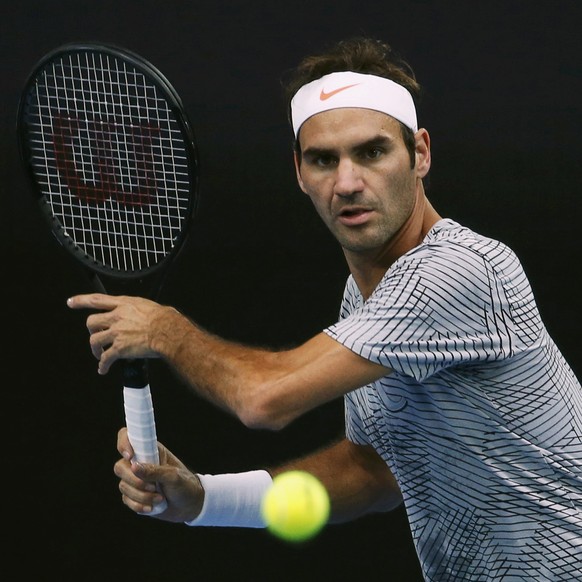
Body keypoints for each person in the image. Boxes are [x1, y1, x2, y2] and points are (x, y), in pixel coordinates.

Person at [67, 38, 582, 581]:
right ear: (299, 171)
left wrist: (167, 331)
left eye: (372, 151)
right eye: (323, 159)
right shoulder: (364, 300)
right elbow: (374, 470)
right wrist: (203, 499)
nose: (347, 183)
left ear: (421, 154)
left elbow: (263, 399)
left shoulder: (456, 272)